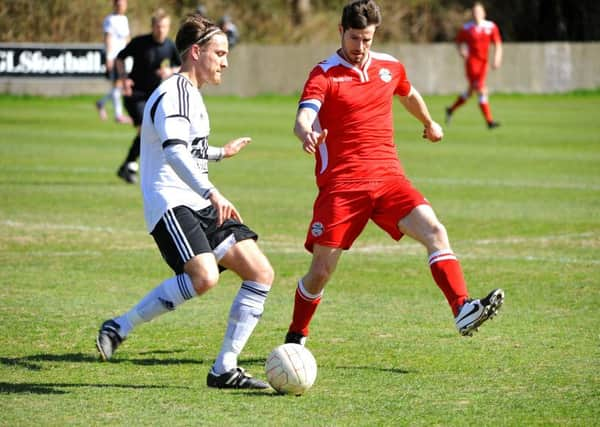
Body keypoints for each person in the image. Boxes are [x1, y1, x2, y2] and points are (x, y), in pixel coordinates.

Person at [284, 0, 504, 347]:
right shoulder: (324, 73)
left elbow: (408, 93)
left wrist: (429, 122)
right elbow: (304, 114)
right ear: (341, 32)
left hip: (389, 180)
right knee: (321, 272)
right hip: (343, 187)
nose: (361, 47)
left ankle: (462, 307)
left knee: (435, 230)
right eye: (355, 38)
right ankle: (296, 335)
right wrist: (306, 132)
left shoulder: (389, 66)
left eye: (367, 39)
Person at [96, 13, 273, 390]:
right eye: (219, 53)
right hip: (171, 201)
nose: (225, 61)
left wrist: (219, 153)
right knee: (204, 277)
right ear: (196, 52)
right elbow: (174, 153)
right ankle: (120, 326)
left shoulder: (192, 94)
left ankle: (225, 367)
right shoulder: (173, 92)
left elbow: (187, 147)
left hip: (197, 199)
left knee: (260, 274)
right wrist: (213, 191)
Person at [115, 8, 182, 184]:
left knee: (150, 131)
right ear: (152, 26)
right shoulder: (140, 43)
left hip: (155, 98)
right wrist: (123, 79)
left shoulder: (169, 46)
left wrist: (170, 71)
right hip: (134, 94)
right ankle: (131, 165)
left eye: (165, 26)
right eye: (158, 26)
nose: (161, 30)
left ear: (168, 28)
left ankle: (128, 165)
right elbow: (119, 58)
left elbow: (181, 68)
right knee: (146, 128)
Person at [445, 2, 503, 129]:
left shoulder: (491, 26)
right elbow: (458, 42)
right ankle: (489, 121)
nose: (477, 14)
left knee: (470, 92)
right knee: (482, 90)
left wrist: (497, 59)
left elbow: (498, 44)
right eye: (475, 12)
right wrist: (461, 51)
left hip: (484, 64)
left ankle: (450, 109)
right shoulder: (467, 28)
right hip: (471, 64)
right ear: (472, 14)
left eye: (479, 12)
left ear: (484, 13)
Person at [95, 0, 131, 124]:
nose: (122, 6)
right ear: (115, 5)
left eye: (124, 4)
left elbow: (127, 38)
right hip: (114, 57)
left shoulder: (124, 19)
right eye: (120, 4)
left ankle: (101, 103)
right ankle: (118, 115)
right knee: (118, 85)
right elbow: (108, 38)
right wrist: (109, 57)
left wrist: (130, 54)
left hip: (123, 57)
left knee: (120, 85)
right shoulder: (110, 19)